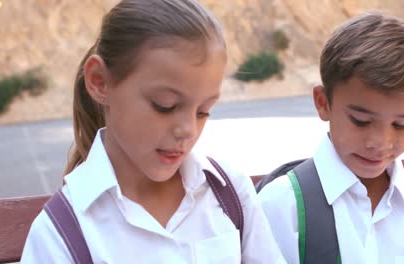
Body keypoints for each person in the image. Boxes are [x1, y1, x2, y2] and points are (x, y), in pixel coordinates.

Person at [21, 0, 285, 263]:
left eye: (203, 111)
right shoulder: (60, 234)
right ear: (99, 82)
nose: (188, 130)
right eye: (165, 106)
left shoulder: (230, 193)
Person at [258, 11, 404, 264]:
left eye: (402, 124)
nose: (381, 142)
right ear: (323, 103)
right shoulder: (280, 207)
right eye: (361, 121)